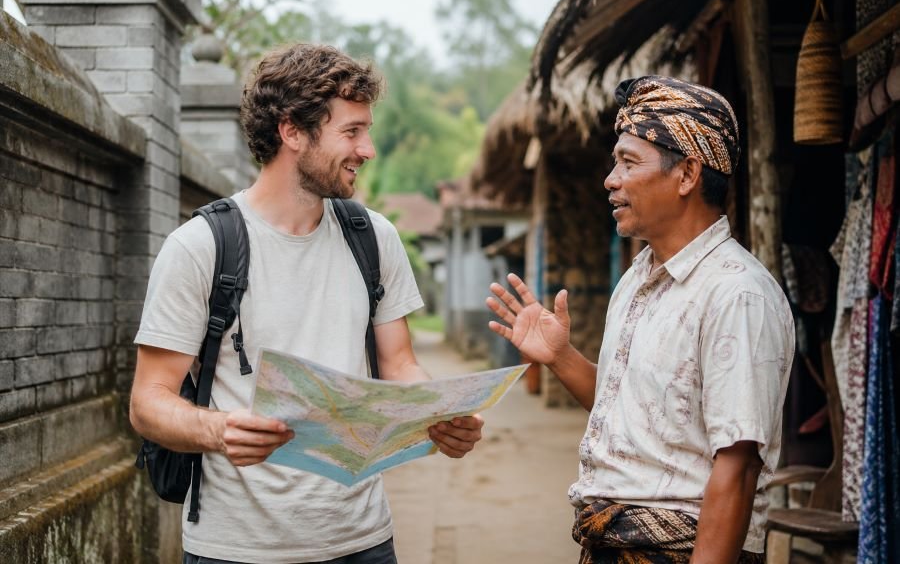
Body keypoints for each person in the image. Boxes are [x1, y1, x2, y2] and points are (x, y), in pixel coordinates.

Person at [129, 43, 484, 564]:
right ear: (292, 131)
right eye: (352, 131)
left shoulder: (373, 238)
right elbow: (148, 401)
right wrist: (219, 430)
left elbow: (400, 363)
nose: (368, 149)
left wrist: (437, 413)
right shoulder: (201, 247)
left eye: (367, 130)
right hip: (236, 548)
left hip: (362, 541)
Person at [487, 76, 794, 563]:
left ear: (688, 174)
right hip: (613, 541)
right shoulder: (638, 278)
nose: (611, 180)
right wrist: (562, 358)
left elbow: (737, 469)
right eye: (615, 163)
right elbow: (631, 414)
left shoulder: (738, 294)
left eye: (629, 162)